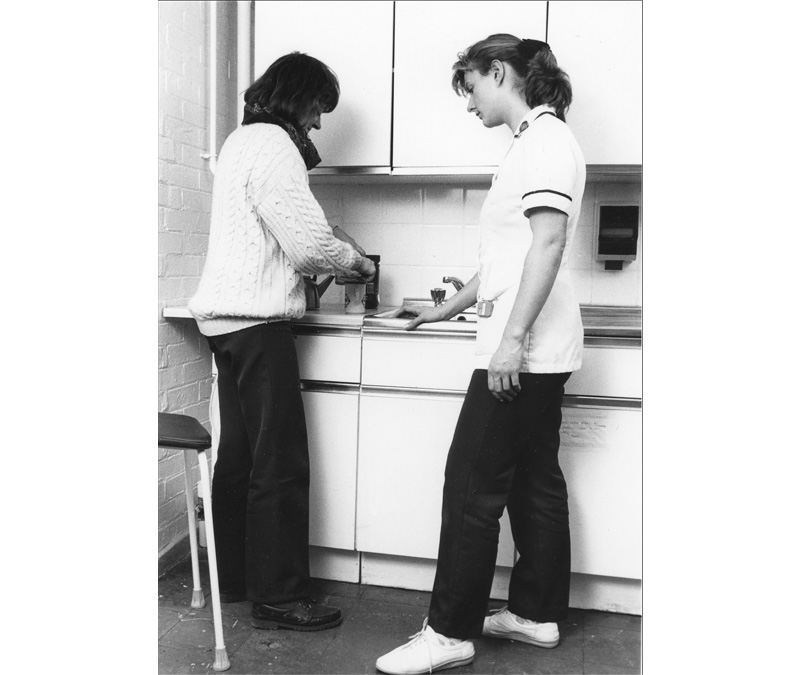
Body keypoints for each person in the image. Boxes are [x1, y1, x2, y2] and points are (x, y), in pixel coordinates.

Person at [376, 34, 586, 674]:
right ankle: (536, 615)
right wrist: (447, 308)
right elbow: (508, 257)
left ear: (498, 72)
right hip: (540, 347)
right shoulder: (532, 142)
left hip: (527, 347)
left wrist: (512, 342)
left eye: (470, 87)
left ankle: (449, 632)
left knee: (470, 484)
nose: (468, 104)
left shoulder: (545, 142)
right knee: (533, 480)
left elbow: (547, 245)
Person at [188, 52, 375, 632]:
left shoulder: (240, 141)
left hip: (225, 324)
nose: (318, 122)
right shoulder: (275, 146)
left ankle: (235, 577)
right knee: (280, 462)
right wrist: (358, 263)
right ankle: (280, 596)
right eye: (317, 107)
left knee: (240, 458)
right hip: (257, 324)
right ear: (297, 98)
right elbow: (310, 245)